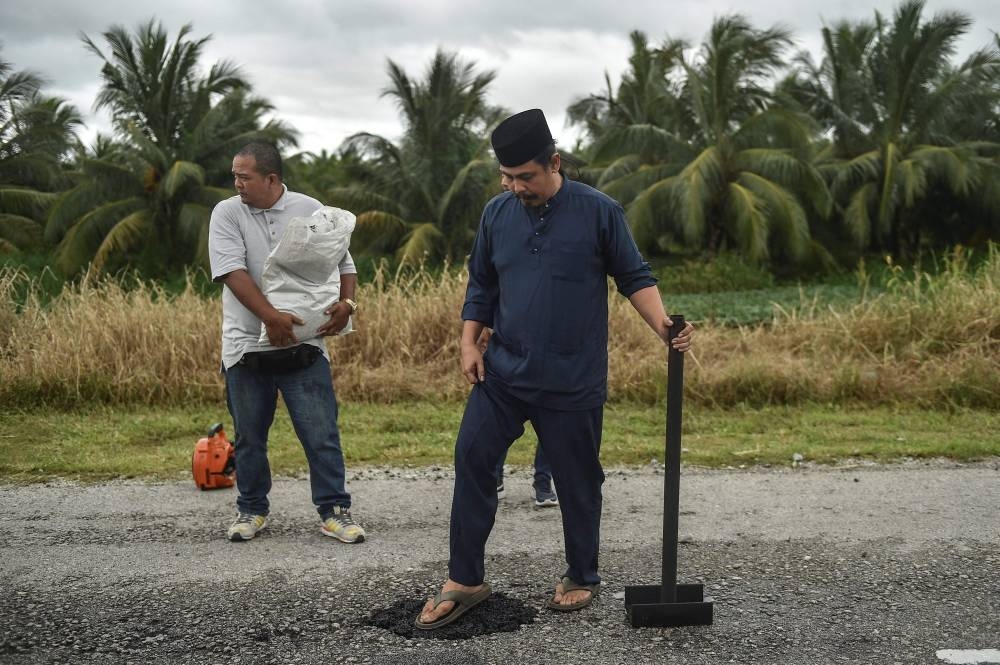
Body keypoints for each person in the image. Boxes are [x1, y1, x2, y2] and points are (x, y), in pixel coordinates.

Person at [415, 109, 694, 629]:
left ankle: (581, 574)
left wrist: (662, 326)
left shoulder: (599, 211)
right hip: (502, 372)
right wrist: (468, 343)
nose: (516, 186)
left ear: (554, 163)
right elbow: (481, 285)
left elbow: (634, 275)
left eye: (526, 176)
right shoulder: (496, 214)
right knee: (472, 457)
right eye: (508, 177)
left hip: (571, 377)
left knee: (578, 479)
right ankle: (465, 579)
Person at [208, 141, 366, 544]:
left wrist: (347, 302)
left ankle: (334, 511)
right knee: (249, 437)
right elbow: (231, 271)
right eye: (235, 176)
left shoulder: (309, 207)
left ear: (271, 179)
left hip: (305, 346)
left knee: (321, 433)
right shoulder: (227, 213)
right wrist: (271, 319)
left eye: (245, 177)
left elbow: (343, 261)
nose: (237, 183)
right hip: (247, 347)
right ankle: (251, 510)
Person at [478, 328, 558, 508]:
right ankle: (496, 476)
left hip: (550, 344)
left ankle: (543, 480)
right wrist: (483, 327)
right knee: (502, 419)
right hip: (507, 340)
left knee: (550, 418)